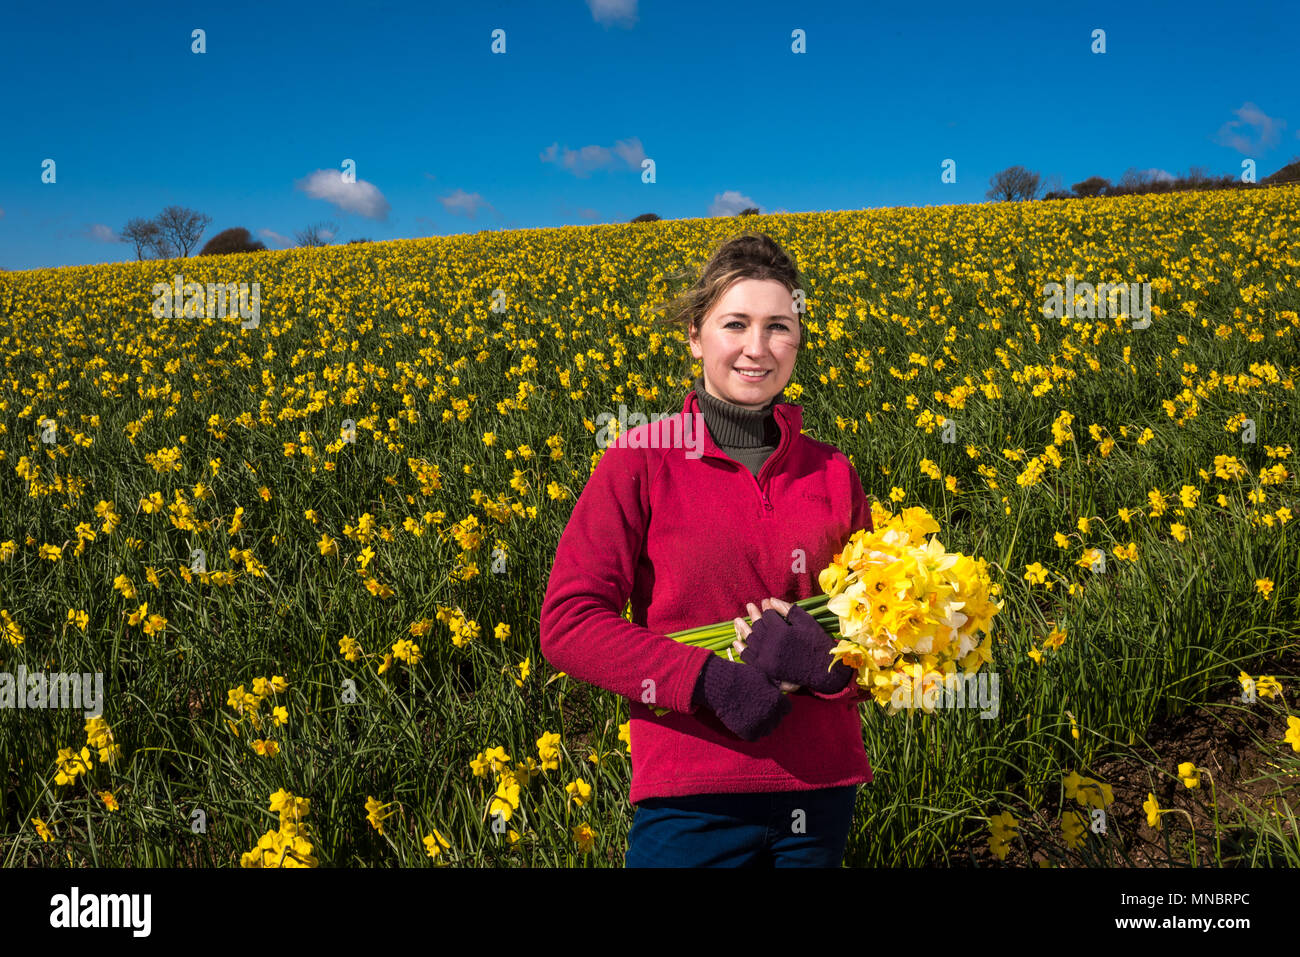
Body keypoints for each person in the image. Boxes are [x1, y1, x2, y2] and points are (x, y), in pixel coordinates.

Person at [538, 232, 875, 867]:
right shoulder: (638, 460)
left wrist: (830, 664)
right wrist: (706, 680)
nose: (757, 348)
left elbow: (884, 634)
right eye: (735, 324)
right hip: (691, 800)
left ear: (798, 342)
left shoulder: (833, 472)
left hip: (820, 796)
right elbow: (568, 624)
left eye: (779, 326)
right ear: (696, 336)